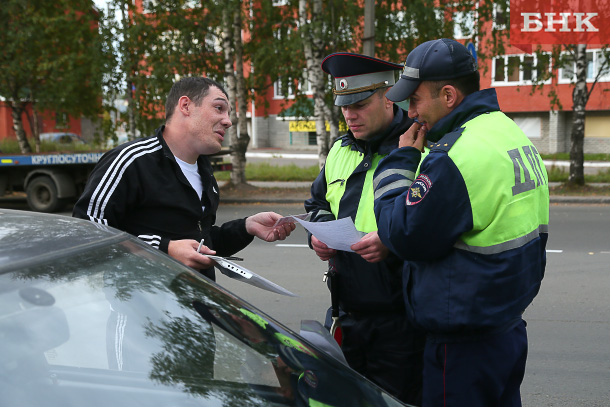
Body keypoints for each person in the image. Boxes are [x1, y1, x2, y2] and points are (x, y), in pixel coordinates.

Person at [372, 38, 550, 407]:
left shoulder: (455, 155)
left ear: (449, 96)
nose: (409, 112)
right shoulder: (506, 130)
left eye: (415, 99)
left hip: (463, 344)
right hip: (505, 327)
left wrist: (401, 160)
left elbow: (403, 234)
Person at [73, 76, 295, 280]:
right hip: (141, 314)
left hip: (195, 313)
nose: (228, 121)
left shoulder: (204, 172)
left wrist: (247, 227)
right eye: (219, 108)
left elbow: (201, 243)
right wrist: (164, 249)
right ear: (186, 106)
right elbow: (87, 231)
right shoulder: (131, 161)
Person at [304, 52, 425, 405]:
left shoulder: (419, 147)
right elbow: (317, 203)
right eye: (343, 105)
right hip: (348, 315)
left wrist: (391, 241)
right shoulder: (341, 149)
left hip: (403, 324)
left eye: (359, 103)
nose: (348, 114)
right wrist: (320, 232)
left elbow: (434, 225)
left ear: (389, 98)